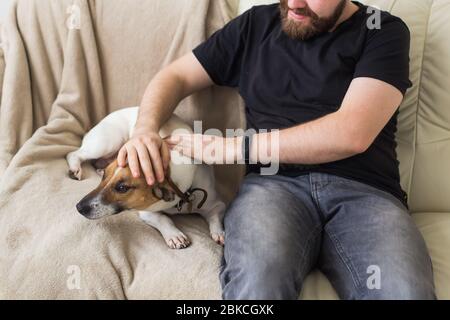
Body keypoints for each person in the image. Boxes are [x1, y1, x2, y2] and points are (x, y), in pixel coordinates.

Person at [117, 0, 435, 300]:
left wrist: (235, 149)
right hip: (273, 187)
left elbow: (352, 133)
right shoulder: (256, 24)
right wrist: (144, 128)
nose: (294, 4)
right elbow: (176, 75)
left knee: (401, 289)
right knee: (257, 282)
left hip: (366, 193)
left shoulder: (381, 30)